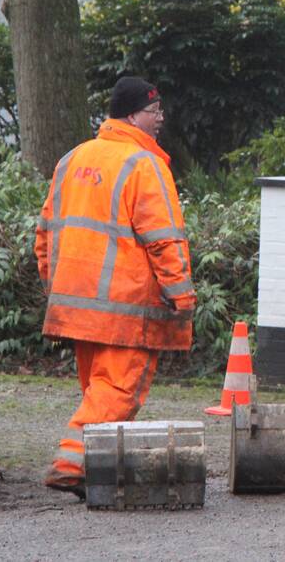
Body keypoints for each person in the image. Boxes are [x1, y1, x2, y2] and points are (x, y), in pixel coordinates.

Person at [35, 76, 196, 500]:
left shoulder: (72, 159)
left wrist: (55, 286)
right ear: (131, 115)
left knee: (98, 391)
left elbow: (46, 233)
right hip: (125, 308)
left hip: (77, 305)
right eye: (154, 111)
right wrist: (181, 294)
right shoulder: (145, 165)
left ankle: (94, 469)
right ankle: (71, 464)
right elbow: (163, 238)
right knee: (116, 391)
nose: (160, 118)